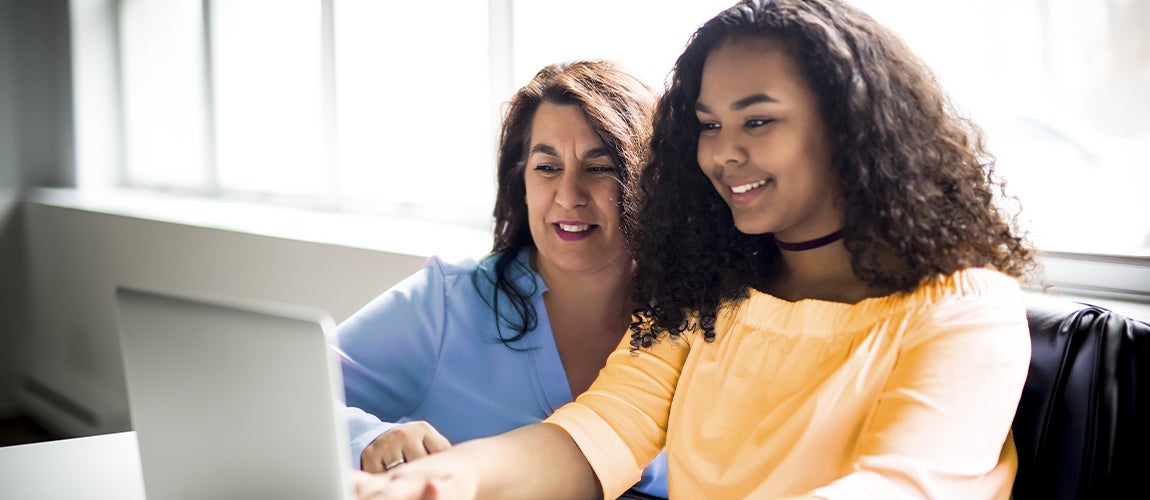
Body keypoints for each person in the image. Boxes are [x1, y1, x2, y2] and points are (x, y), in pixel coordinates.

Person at [353, 0, 1039, 498]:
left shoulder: (965, 309)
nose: (723, 153)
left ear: (849, 128)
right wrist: (445, 478)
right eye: (709, 125)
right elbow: (598, 432)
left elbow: (896, 486)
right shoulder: (711, 293)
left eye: (758, 121)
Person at [336, 59, 667, 498]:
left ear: (649, 179)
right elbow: (278, 392)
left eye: (599, 167)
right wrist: (366, 438)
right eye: (547, 167)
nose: (568, 195)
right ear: (521, 182)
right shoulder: (448, 301)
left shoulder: (696, 324)